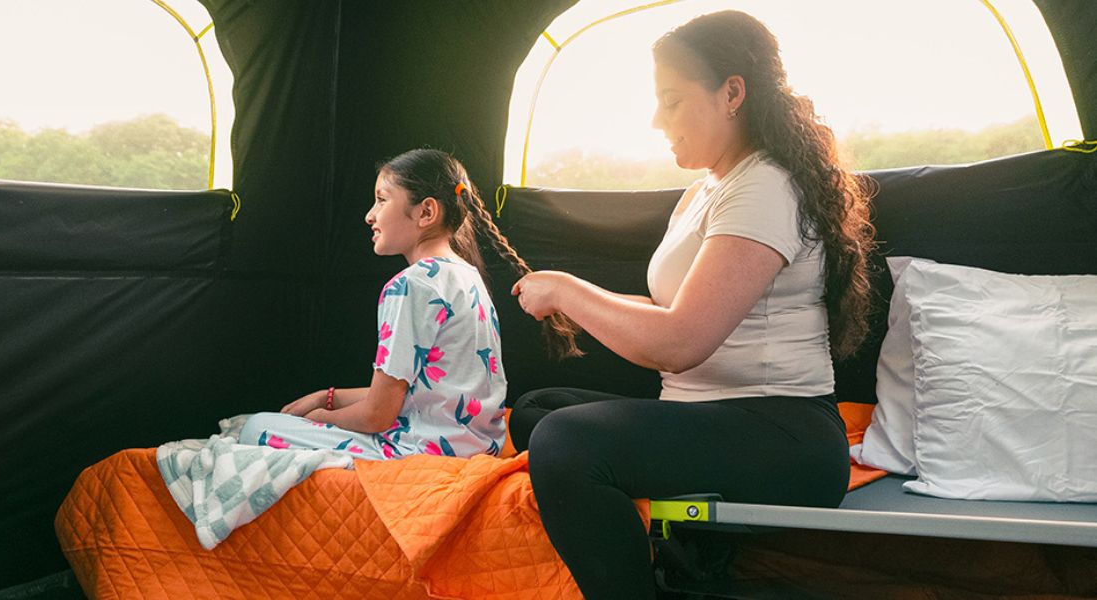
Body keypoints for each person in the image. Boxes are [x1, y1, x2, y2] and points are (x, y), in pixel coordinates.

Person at [508, 10, 877, 599]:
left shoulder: (765, 187)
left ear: (732, 93)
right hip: (706, 416)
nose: (656, 120)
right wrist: (570, 298)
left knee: (564, 442)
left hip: (782, 434)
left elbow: (680, 341)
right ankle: (678, 566)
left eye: (671, 101)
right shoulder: (709, 188)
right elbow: (669, 306)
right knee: (536, 411)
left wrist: (570, 292)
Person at [237, 148, 580, 460]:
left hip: (420, 450)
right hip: (474, 446)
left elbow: (377, 415)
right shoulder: (467, 276)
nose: (370, 216)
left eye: (382, 200)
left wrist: (324, 419)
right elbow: (412, 392)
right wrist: (327, 396)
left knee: (255, 428)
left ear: (426, 211)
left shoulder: (409, 286)